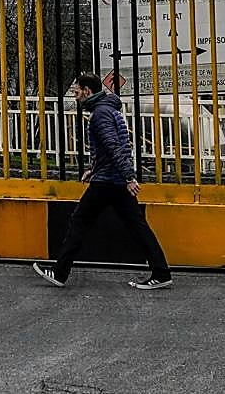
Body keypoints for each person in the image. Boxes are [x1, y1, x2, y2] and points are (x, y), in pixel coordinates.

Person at [33, 72, 173, 290]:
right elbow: (110, 148)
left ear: (87, 91)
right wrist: (94, 169)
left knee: (79, 222)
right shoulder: (108, 110)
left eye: (77, 92)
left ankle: (60, 273)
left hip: (109, 181)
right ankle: (161, 272)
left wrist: (128, 177)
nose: (76, 96)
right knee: (137, 226)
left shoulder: (100, 114)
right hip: (112, 178)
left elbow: (113, 146)